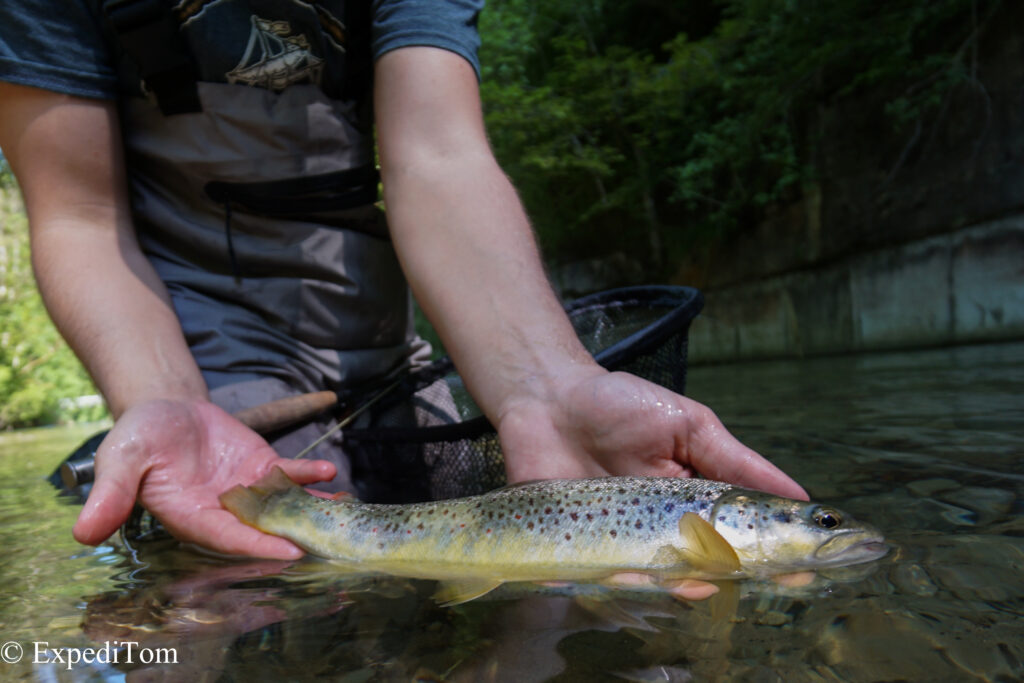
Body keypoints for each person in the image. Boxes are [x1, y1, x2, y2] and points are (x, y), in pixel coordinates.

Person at [0, 0, 805, 563]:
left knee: (437, 555)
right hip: (194, 322)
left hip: (379, 322)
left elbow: (439, 155)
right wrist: (165, 396)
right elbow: (77, 215)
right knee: (260, 587)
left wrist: (543, 385)